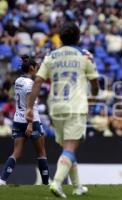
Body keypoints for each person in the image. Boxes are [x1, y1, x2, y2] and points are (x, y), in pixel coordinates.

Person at [26, 22, 99, 198]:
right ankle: (57, 183)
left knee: (68, 148)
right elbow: (95, 83)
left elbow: (37, 81)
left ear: (61, 37)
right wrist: (92, 99)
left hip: (55, 107)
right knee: (71, 147)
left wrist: (29, 107)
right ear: (78, 37)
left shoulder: (50, 56)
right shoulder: (85, 55)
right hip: (75, 106)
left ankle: (77, 187)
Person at [0, 56, 49, 185]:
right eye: (36, 68)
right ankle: (45, 184)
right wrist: (30, 124)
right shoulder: (30, 84)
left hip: (17, 119)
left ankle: (2, 180)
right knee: (41, 152)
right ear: (32, 68)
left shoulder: (18, 80)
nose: (38, 70)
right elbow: (29, 106)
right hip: (31, 121)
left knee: (16, 152)